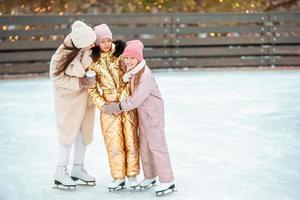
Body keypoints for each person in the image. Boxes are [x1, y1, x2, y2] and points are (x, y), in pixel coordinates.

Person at [103, 40, 176, 196]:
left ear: (139, 59)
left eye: (132, 58)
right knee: (144, 146)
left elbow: (136, 100)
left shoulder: (145, 74)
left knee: (157, 146)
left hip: (153, 114)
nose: (128, 61)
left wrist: (116, 107)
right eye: (127, 58)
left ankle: (167, 180)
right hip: (143, 114)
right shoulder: (132, 71)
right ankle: (150, 177)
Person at [88, 24, 140, 191]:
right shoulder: (93, 62)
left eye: (109, 40)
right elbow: (92, 88)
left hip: (126, 103)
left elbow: (131, 71)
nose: (106, 44)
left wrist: (126, 95)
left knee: (131, 140)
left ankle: (132, 175)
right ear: (97, 43)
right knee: (114, 143)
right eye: (102, 41)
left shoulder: (120, 55)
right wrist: (103, 106)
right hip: (109, 107)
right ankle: (118, 177)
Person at [49, 20, 97, 190]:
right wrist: (79, 82)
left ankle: (77, 168)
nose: (93, 44)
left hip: (86, 99)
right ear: (81, 43)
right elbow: (56, 77)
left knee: (84, 133)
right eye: (90, 42)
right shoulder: (61, 55)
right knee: (68, 134)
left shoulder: (86, 46)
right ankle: (60, 172)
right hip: (69, 100)